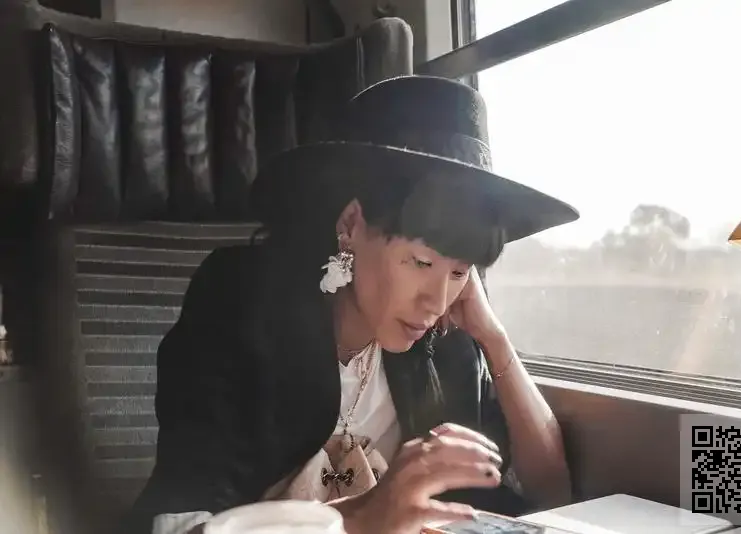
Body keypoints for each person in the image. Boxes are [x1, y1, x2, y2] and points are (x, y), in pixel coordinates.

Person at [125, 75, 579, 534]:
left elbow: (550, 493)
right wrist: (363, 515)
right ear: (351, 225)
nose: (437, 300)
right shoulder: (239, 301)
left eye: (460, 272)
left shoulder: (446, 343)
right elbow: (182, 524)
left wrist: (494, 339)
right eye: (421, 262)